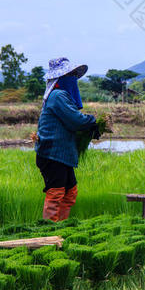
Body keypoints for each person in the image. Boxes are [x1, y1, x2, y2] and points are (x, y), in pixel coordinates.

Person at [34, 57, 100, 222]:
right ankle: (49, 232)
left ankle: (61, 227)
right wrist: (92, 121)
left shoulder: (60, 95)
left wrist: (91, 127)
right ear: (61, 78)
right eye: (70, 75)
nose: (73, 78)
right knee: (56, 193)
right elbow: (75, 120)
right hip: (52, 154)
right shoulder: (57, 96)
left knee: (70, 193)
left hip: (62, 155)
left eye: (73, 75)